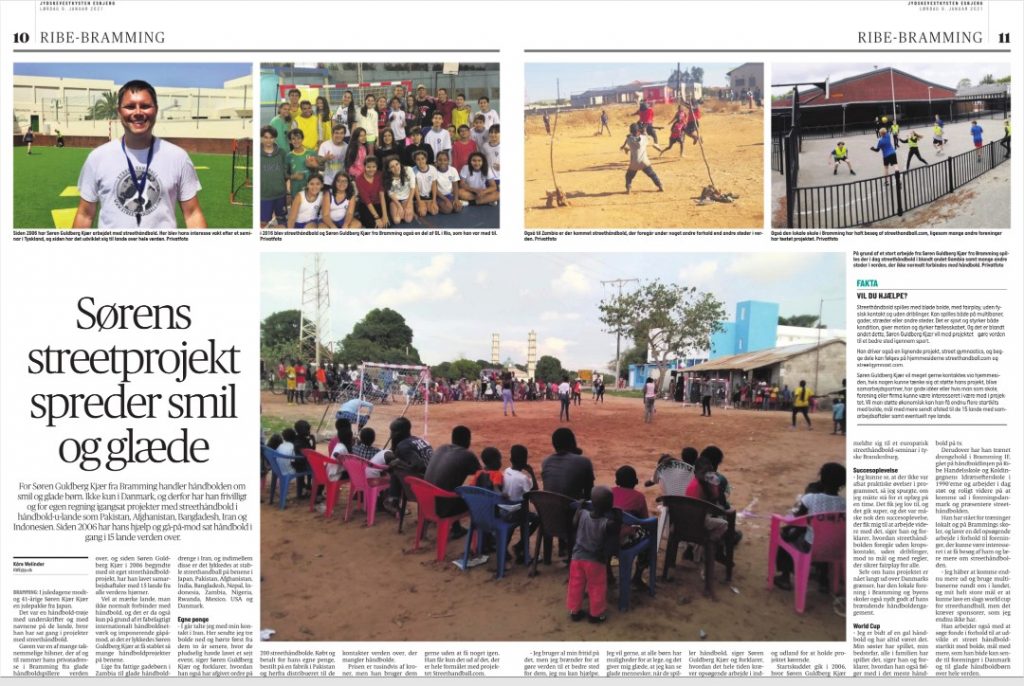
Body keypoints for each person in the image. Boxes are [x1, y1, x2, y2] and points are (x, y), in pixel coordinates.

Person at [73, 79, 206, 229]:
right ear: (119, 112)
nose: (137, 112)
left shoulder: (178, 157)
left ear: (155, 109)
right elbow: (85, 214)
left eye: (145, 106)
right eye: (130, 107)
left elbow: (192, 214)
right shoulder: (97, 158)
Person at [772, 462, 846, 593]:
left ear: (821, 479)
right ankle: (824, 580)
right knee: (827, 536)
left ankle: (785, 577)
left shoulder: (810, 498)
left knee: (785, 536)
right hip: (838, 548)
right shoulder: (844, 504)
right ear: (842, 484)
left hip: (811, 546)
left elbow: (796, 520)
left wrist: (789, 524)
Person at [567, 486, 620, 623]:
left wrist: (579, 506)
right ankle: (596, 614)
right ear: (609, 507)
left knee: (576, 584)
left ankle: (574, 611)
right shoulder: (606, 523)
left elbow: (573, 523)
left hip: (577, 558)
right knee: (597, 586)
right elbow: (617, 528)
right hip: (595, 560)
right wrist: (617, 514)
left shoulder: (582, 513)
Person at [423, 425, 479, 537]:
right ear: (468, 440)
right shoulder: (467, 455)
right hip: (443, 508)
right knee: (477, 500)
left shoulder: (441, 448)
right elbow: (482, 475)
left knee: (449, 488)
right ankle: (485, 538)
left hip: (425, 502)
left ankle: (457, 528)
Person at [540, 428, 595, 501]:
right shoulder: (584, 461)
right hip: (572, 510)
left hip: (548, 510)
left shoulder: (546, 462)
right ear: (573, 443)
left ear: (554, 445)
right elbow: (589, 494)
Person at [259, 125, 289, 228]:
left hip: (280, 195)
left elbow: (286, 173)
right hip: (264, 195)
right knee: (262, 223)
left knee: (282, 221)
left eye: (271, 137)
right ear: (261, 137)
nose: (268, 140)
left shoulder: (282, 153)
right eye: (265, 137)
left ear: (275, 138)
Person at [621, 123, 664, 195]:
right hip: (644, 162)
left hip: (634, 163)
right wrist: (644, 131)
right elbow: (648, 138)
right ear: (638, 131)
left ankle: (628, 188)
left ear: (631, 131)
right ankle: (660, 185)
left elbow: (630, 140)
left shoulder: (629, 139)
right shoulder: (644, 138)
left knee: (628, 176)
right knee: (652, 175)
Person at [354, 156, 388, 228]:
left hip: (379, 203)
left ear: (377, 167)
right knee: (375, 226)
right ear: (364, 167)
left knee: (385, 225)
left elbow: (382, 195)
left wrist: (384, 215)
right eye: (368, 167)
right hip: (366, 205)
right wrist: (377, 218)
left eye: (374, 167)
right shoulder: (359, 179)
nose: (371, 169)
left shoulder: (380, 175)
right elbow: (367, 200)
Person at [286, 128, 319, 200]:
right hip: (295, 191)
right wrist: (293, 176)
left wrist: (313, 167)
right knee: (296, 210)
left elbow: (317, 171)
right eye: (293, 139)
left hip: (310, 191)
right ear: (290, 141)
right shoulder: (288, 156)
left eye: (298, 138)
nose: (296, 141)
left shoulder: (311, 153)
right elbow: (285, 175)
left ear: (302, 139)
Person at [382, 155, 415, 225]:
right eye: (392, 167)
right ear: (389, 169)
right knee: (397, 221)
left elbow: (413, 187)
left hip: (407, 198)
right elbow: (390, 193)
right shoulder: (387, 177)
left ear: (400, 163)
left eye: (397, 164)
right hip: (395, 200)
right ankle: (399, 209)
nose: (396, 168)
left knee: (408, 220)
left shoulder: (408, 170)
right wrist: (399, 206)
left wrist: (409, 203)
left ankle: (410, 209)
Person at [410, 150, 439, 218]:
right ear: (415, 161)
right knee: (423, 213)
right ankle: (416, 204)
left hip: (429, 197)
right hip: (419, 197)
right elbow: (415, 188)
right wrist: (419, 202)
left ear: (426, 159)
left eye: (422, 158)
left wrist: (434, 201)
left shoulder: (432, 169)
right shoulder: (413, 170)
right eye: (418, 159)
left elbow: (434, 186)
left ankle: (427, 204)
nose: (421, 161)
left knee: (435, 212)